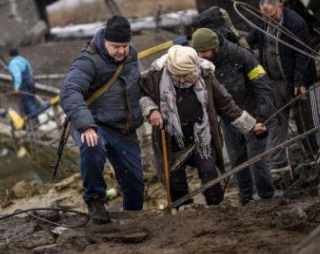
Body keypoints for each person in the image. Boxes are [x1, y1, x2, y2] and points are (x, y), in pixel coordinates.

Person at [140, 45, 267, 207]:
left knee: (209, 173)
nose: (181, 80)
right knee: (174, 179)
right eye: (177, 75)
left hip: (202, 136)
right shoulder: (155, 77)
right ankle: (183, 212)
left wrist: (252, 126)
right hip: (170, 136)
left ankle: (217, 208)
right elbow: (143, 96)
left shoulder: (205, 76)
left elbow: (226, 105)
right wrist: (151, 110)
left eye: (185, 75)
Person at [60, 15, 143, 223]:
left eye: (125, 45)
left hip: (123, 128)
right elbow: (69, 91)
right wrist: (86, 125)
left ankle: (132, 217)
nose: (122, 51)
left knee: (135, 184)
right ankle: (95, 200)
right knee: (92, 145)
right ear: (104, 40)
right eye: (116, 46)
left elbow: (137, 88)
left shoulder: (131, 56)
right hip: (93, 123)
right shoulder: (87, 61)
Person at [191, 28, 275, 204]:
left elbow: (263, 85)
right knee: (237, 161)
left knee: (257, 160)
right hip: (230, 120)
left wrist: (261, 117)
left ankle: (267, 199)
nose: (201, 56)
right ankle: (246, 199)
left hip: (253, 115)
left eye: (204, 51)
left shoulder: (240, 56)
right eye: (198, 52)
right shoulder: (201, 64)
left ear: (215, 47)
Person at [246, 0, 320, 171]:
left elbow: (303, 55)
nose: (268, 19)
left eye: (272, 15)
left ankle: (315, 154)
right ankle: (278, 162)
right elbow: (252, 37)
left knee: (305, 119)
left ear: (279, 7)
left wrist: (300, 82)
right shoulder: (262, 20)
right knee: (277, 120)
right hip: (274, 81)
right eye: (265, 16)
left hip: (296, 79)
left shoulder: (296, 23)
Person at [7, 48, 37, 116]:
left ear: (10, 56)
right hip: (31, 82)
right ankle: (36, 120)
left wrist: (16, 87)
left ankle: (31, 123)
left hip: (23, 85)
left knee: (27, 104)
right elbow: (31, 71)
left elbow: (17, 76)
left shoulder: (13, 63)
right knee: (32, 102)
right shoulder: (24, 60)